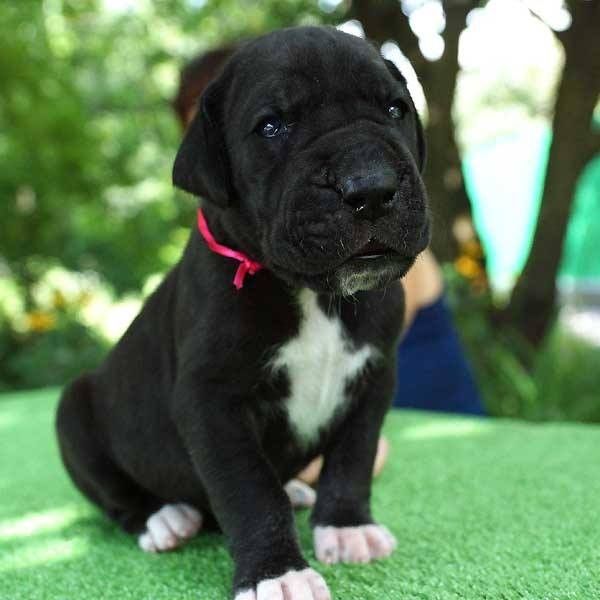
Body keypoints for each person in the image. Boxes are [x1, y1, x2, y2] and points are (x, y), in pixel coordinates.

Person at [171, 45, 485, 496]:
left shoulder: (371, 247)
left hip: (440, 431)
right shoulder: (227, 249)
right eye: (272, 127)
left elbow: (334, 381)